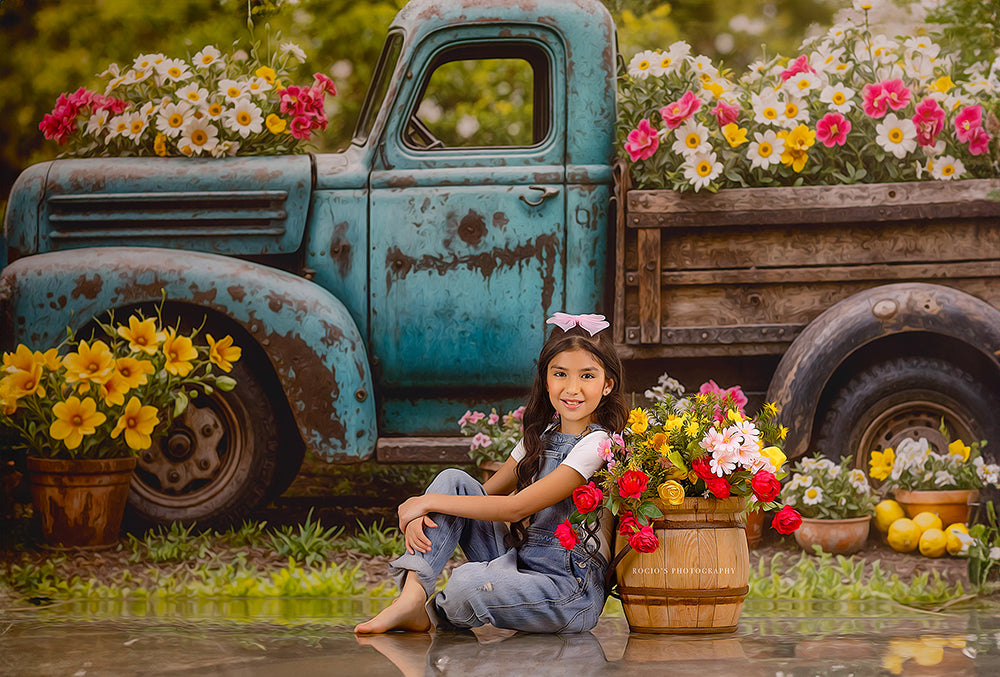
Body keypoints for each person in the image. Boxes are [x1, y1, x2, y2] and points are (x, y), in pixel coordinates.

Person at [354, 312, 628, 634]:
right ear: (546, 379)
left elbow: (516, 507)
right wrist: (427, 506)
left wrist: (425, 503)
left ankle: (434, 614)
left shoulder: (599, 444)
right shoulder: (541, 437)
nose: (572, 388)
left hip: (566, 592)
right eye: (560, 374)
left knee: (468, 583)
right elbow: (481, 497)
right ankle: (412, 599)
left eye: (587, 376)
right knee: (454, 480)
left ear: (607, 384)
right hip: (520, 564)